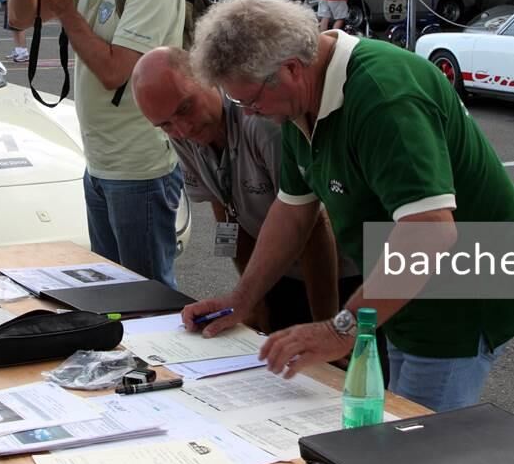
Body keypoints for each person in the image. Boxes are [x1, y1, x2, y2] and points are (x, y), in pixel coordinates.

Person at [181, 0, 514, 412]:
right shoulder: (301, 101)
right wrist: (243, 297)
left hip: (460, 294)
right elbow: (292, 211)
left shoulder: (384, 95)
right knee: (390, 424)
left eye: (251, 102)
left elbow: (431, 230)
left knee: (419, 448)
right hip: (404, 286)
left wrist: (339, 330)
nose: (251, 114)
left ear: (291, 70)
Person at [8, 0, 186, 287]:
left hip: (140, 167)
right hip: (101, 163)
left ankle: (158, 351)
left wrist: (68, 9)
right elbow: (19, 20)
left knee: (146, 293)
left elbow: (115, 71)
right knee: (110, 290)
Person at [133, 46, 365, 335]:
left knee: (344, 364)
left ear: (206, 77)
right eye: (165, 124)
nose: (182, 128)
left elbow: (313, 227)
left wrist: (327, 326)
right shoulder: (183, 135)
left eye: (185, 108)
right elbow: (228, 216)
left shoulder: (263, 123)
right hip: (279, 268)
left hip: (341, 272)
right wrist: (252, 302)